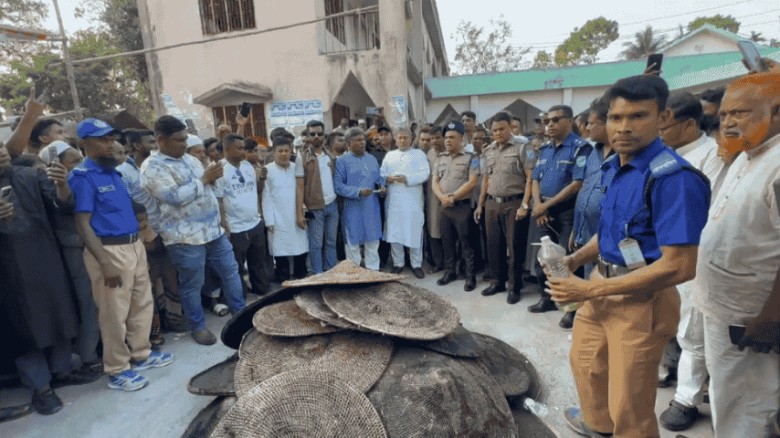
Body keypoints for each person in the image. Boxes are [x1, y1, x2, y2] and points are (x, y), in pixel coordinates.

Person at [549, 75, 711, 437]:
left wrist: (587, 292)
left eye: (637, 116)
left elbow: (680, 265)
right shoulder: (615, 166)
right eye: (616, 118)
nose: (624, 127)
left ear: (662, 116)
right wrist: (576, 261)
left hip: (641, 299)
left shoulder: (675, 179)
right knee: (587, 365)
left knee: (630, 404)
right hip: (600, 285)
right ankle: (598, 426)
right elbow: (610, 233)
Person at [693, 71, 780, 436]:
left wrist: (770, 316)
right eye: (724, 115)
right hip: (723, 305)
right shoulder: (747, 155)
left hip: (751, 316)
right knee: (728, 394)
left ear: (776, 113)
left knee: (748, 406)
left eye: (740, 113)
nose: (727, 122)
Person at [69, 118, 175, 392]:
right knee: (113, 313)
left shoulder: (113, 174)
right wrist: (104, 262)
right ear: (85, 144)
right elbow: (82, 223)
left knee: (141, 301)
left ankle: (141, 353)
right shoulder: (83, 177)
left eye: (111, 138)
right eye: (102, 139)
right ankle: (117, 369)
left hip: (133, 245)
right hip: (108, 250)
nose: (110, 144)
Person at [0, 141, 97, 415]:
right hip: (7, 275)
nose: (2, 151)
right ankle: (41, 388)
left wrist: (62, 185)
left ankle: (62, 372)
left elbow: (61, 205)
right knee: (23, 329)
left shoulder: (29, 175)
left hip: (46, 259)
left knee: (59, 314)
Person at [141, 116, 245, 346]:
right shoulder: (152, 168)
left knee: (231, 272)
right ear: (161, 140)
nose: (184, 144)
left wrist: (214, 177)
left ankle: (241, 316)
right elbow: (174, 198)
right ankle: (198, 326)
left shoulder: (189, 159)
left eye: (186, 139)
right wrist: (204, 179)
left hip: (212, 232)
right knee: (192, 284)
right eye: (179, 140)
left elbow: (209, 189)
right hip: (184, 238)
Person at [655, 91, 719, 396]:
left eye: (664, 127)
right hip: (662, 252)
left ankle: (686, 398)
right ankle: (666, 369)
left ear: (689, 124)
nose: (660, 134)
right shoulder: (666, 154)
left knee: (691, 332)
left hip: (693, 254)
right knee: (667, 319)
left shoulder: (711, 156)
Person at [38, 141, 102, 372]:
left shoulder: (86, 176)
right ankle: (88, 355)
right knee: (89, 302)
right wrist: (62, 184)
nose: (81, 164)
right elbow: (65, 204)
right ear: (56, 165)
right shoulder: (51, 183)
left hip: (95, 244)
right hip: (77, 248)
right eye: (75, 161)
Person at [528, 105, 589, 318]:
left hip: (566, 213)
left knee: (567, 261)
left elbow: (577, 183)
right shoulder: (545, 149)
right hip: (542, 210)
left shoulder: (580, 148)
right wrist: (538, 205)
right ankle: (547, 299)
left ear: (570, 121)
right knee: (543, 259)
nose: (550, 125)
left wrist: (547, 205)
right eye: (547, 121)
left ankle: (571, 309)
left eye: (555, 120)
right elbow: (535, 178)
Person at [476, 111, 535, 304]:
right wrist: (480, 204)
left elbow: (530, 178)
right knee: (494, 246)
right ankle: (497, 282)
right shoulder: (489, 150)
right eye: (494, 130)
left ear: (510, 127)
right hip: (492, 204)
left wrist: (525, 205)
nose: (498, 133)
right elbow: (486, 179)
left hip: (514, 204)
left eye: (502, 129)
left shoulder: (522, 147)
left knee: (514, 248)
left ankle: (514, 287)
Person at [218, 134, 271, 296]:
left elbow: (257, 191)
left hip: (254, 223)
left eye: (244, 148)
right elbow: (219, 200)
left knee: (257, 263)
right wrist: (224, 225)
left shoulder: (248, 166)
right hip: (236, 228)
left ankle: (261, 289)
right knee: (237, 266)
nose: (244, 152)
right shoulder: (219, 170)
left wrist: (261, 180)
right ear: (227, 149)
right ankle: (240, 295)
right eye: (240, 148)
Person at [432, 120, 479, 292]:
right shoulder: (440, 158)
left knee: (466, 243)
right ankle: (450, 272)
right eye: (446, 138)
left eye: (452, 137)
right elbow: (434, 181)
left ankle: (469, 276)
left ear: (462, 138)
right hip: (445, 206)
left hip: (462, 207)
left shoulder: (471, 158)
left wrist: (453, 197)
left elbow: (473, 181)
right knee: (447, 241)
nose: (448, 141)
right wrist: (442, 197)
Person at [570, 97, 614, 280]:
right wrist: (576, 229)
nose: (586, 128)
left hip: (609, 240)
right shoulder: (592, 152)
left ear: (606, 124)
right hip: (586, 233)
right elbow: (585, 190)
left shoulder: (627, 157)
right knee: (590, 280)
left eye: (590, 123)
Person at [380, 127, 429, 278]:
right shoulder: (389, 155)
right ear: (395, 139)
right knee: (395, 232)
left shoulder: (419, 154)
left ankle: (416, 264)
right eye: (399, 138)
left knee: (414, 231)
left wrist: (407, 179)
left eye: (405, 138)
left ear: (411, 139)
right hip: (394, 200)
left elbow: (425, 174)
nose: (402, 140)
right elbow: (382, 173)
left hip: (413, 200)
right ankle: (398, 263)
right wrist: (387, 179)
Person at [334, 127, 385, 270]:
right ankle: (354, 275)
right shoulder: (342, 161)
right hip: (352, 209)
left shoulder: (371, 158)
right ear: (348, 144)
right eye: (357, 140)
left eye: (363, 139)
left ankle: (373, 273)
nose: (362, 143)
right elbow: (338, 186)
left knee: (373, 242)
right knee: (352, 244)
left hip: (371, 207)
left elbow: (378, 178)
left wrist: (382, 186)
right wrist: (358, 192)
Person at [295, 120, 339, 274]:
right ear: (306, 136)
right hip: (314, 208)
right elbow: (300, 186)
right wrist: (301, 210)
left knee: (331, 242)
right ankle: (318, 275)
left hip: (332, 205)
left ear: (324, 136)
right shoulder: (301, 158)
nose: (316, 137)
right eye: (312, 134)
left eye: (319, 134)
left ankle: (332, 272)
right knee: (315, 244)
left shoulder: (330, 155)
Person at [264, 137, 309, 280]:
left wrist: (302, 210)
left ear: (291, 152)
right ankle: (282, 278)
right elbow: (266, 196)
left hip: (296, 214)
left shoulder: (297, 168)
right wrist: (269, 220)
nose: (283, 154)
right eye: (280, 151)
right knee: (280, 249)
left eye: (286, 151)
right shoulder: (268, 170)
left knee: (300, 247)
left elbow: (302, 190)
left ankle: (300, 276)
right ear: (274, 153)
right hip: (277, 216)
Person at [425, 125, 446, 273]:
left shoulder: (451, 153)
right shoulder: (429, 154)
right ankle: (438, 263)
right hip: (432, 199)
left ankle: (454, 265)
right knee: (434, 230)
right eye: (432, 138)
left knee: (450, 232)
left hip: (449, 197)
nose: (434, 141)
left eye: (437, 137)